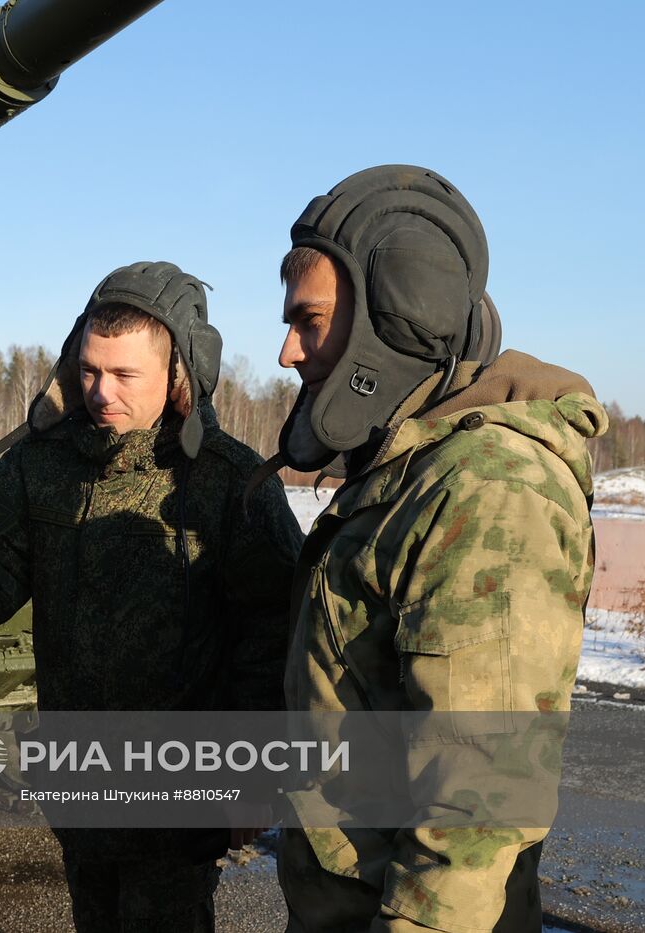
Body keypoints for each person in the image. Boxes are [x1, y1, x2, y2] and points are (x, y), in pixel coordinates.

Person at [0, 261, 303, 932]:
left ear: (178, 375)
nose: (100, 392)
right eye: (89, 370)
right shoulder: (45, 465)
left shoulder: (229, 483)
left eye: (124, 375)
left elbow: (272, 632)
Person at [270, 165, 608, 932]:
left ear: (395, 316)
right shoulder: (408, 472)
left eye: (310, 320)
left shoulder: (488, 486)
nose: (288, 351)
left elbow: (475, 802)